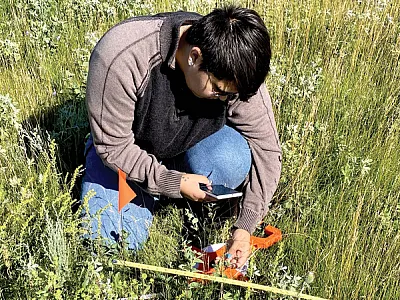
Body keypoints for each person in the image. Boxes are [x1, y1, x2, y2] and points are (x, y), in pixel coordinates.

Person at [81, 5, 282, 269]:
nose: (226, 99)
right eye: (219, 91)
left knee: (229, 158)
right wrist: (172, 182)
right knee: (114, 243)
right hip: (127, 155)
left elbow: (266, 150)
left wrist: (245, 225)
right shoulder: (121, 56)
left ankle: (169, 196)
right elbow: (114, 147)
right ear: (195, 57)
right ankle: (147, 193)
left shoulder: (236, 67)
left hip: (185, 149)